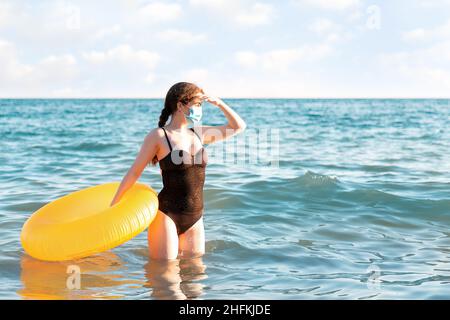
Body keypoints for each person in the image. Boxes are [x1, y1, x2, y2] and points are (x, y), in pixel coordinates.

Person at [110, 82, 246, 260]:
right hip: (167, 214)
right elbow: (134, 173)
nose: (200, 110)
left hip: (196, 217)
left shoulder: (199, 134)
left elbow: (238, 126)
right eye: (197, 104)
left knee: (195, 279)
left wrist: (219, 103)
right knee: (166, 279)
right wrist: (114, 205)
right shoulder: (159, 136)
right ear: (180, 105)